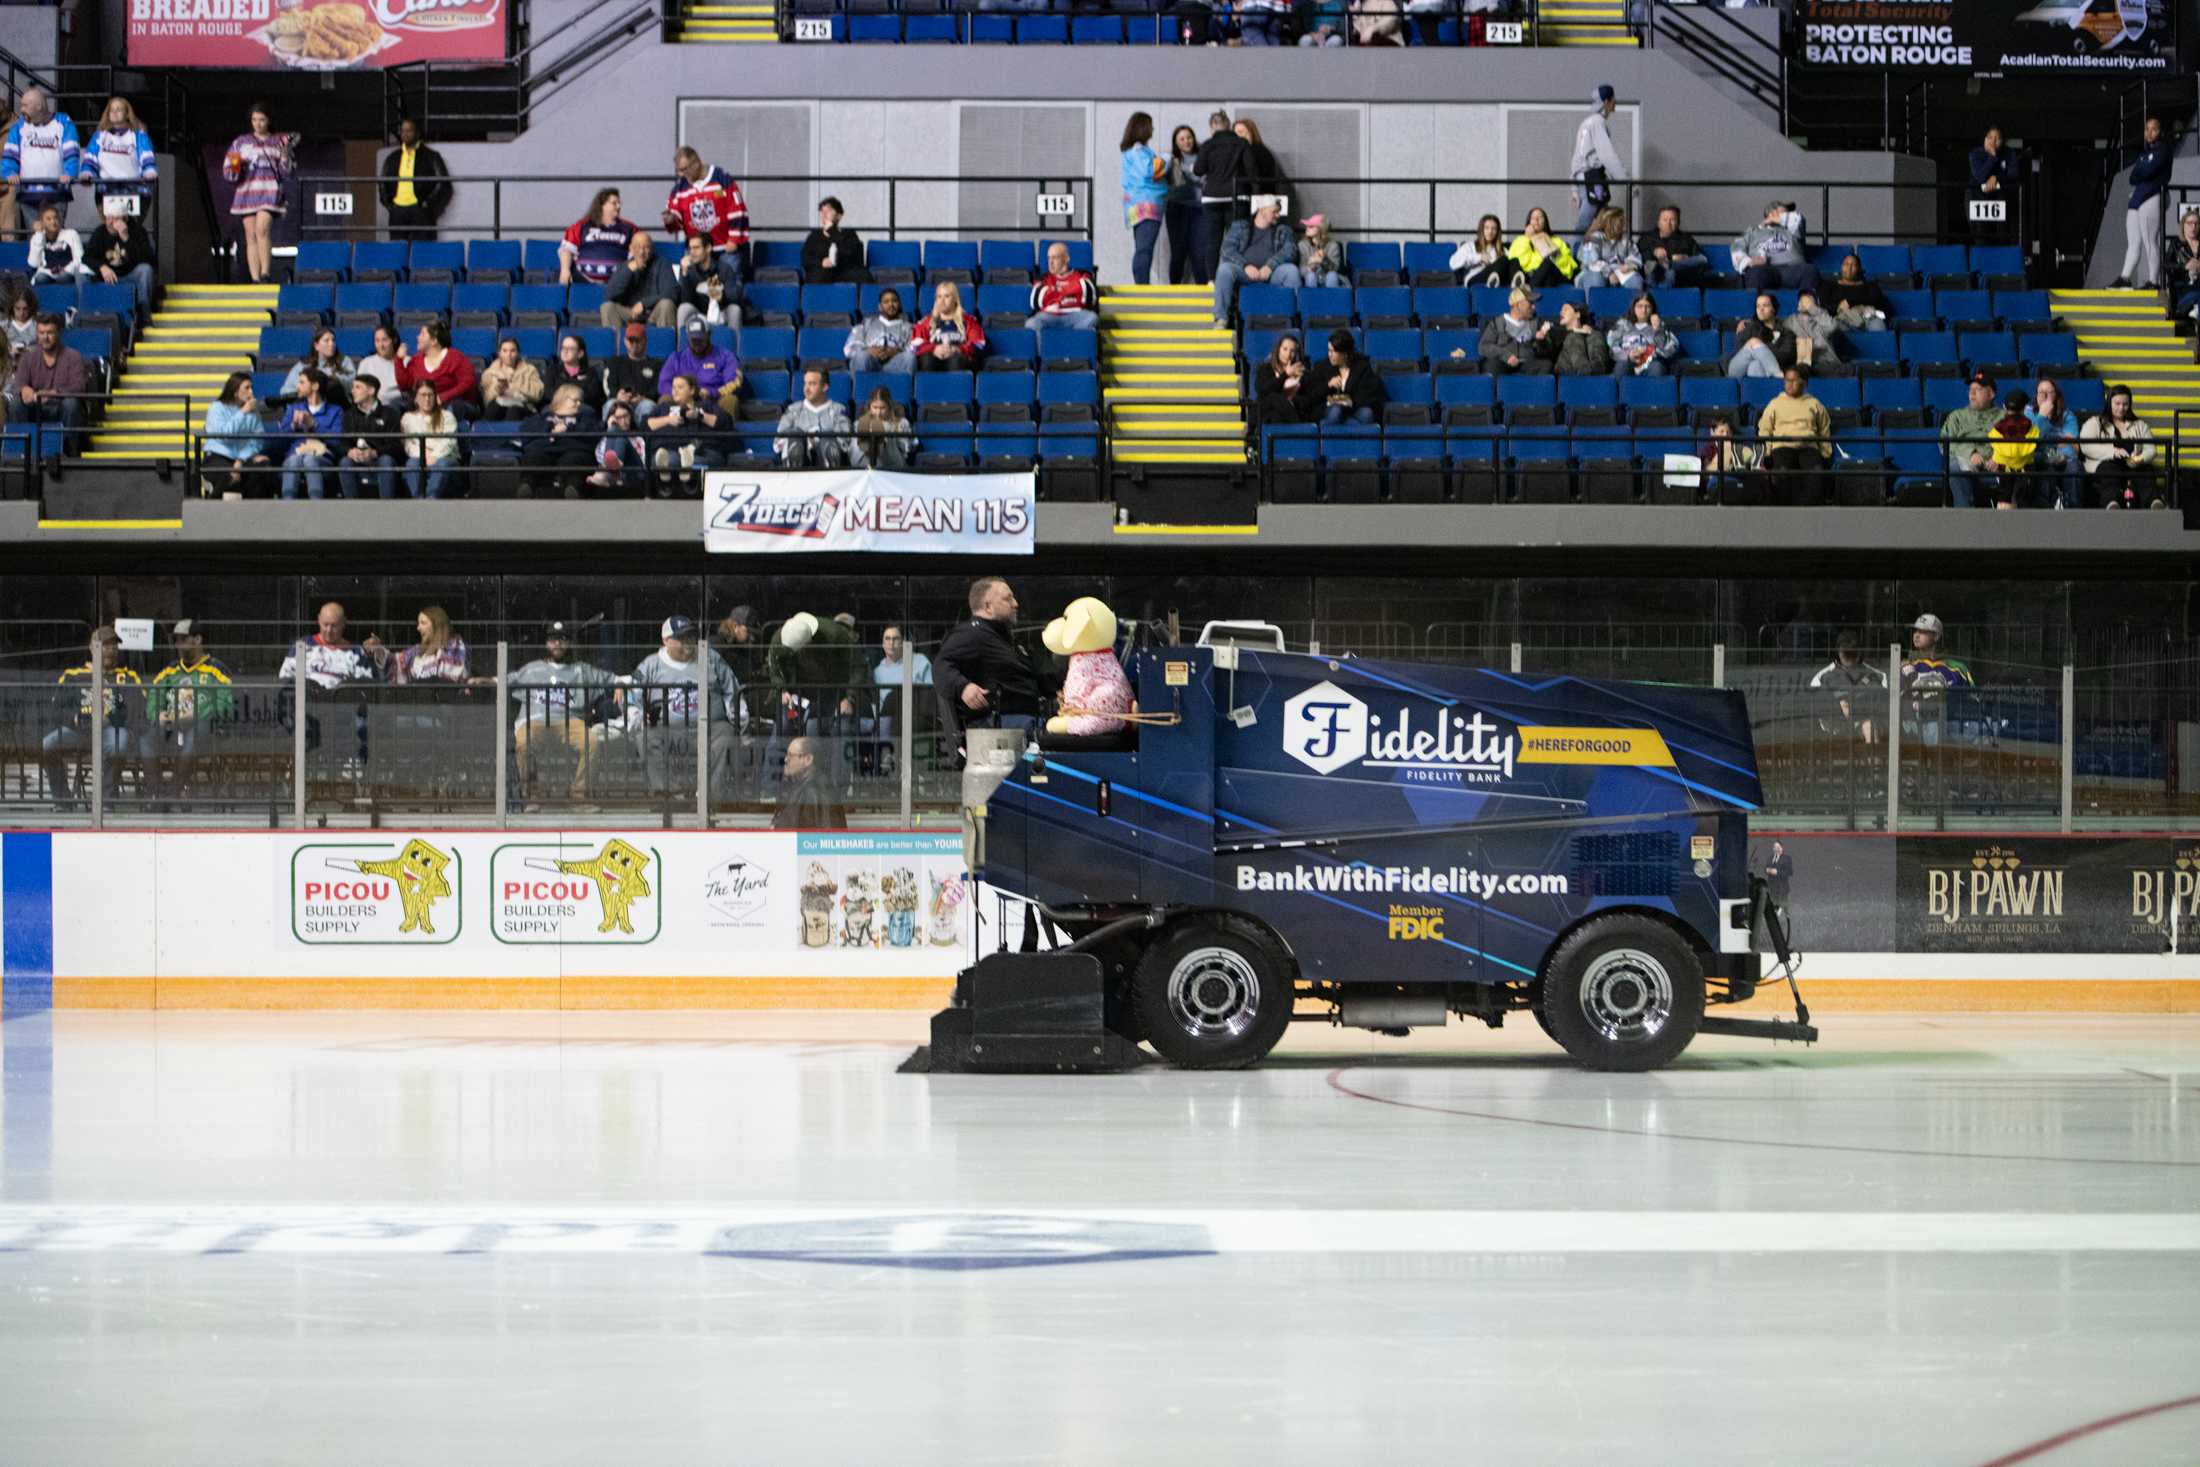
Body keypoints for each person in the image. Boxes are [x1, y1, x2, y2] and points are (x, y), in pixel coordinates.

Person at [590, 615, 743, 795]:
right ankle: (668, 794)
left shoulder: (710, 657)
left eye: (691, 636)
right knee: (645, 737)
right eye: (681, 638)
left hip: (710, 729)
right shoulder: (651, 664)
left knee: (726, 732)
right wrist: (637, 713)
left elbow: (732, 689)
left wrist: (739, 720)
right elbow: (631, 694)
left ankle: (710, 795)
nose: (688, 642)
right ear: (666, 640)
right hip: (669, 732)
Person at [508, 620, 617, 804]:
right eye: (552, 639)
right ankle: (532, 796)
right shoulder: (532, 668)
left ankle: (579, 795)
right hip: (535, 720)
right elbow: (504, 679)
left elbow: (613, 678)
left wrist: (620, 684)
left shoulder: (581, 669)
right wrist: (481, 680)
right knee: (523, 743)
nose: (557, 643)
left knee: (592, 742)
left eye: (562, 639)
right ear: (546, 643)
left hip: (569, 720)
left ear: (569, 643)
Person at [935, 576, 1045, 745]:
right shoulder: (971, 634)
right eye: (1008, 599)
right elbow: (941, 665)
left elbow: (1037, 681)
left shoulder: (1007, 640)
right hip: (1000, 731)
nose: (1015, 604)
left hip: (1024, 725)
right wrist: (963, 687)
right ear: (988, 607)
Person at [41, 625, 139, 808]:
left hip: (111, 729)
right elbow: (56, 708)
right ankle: (63, 801)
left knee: (120, 742)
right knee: (48, 744)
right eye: (106, 645)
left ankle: (106, 801)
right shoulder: (73, 675)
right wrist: (75, 718)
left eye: (114, 645)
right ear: (92, 647)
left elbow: (134, 708)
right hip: (79, 731)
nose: (112, 650)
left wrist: (109, 719)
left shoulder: (126, 676)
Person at [146, 620, 235, 802]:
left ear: (198, 639)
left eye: (184, 639)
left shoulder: (216, 669)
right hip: (171, 727)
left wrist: (197, 715)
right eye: (176, 640)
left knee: (191, 738)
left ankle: (172, 793)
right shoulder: (169, 670)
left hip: (204, 729)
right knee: (146, 741)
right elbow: (154, 697)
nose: (179, 644)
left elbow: (225, 704)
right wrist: (158, 714)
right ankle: (155, 794)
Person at [663, 148, 751, 303]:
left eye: (684, 169)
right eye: (679, 171)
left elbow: (738, 209)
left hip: (725, 249)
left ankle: (726, 317)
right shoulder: (679, 189)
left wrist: (734, 240)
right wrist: (670, 219)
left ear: (696, 163)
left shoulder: (721, 179)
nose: (682, 174)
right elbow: (675, 219)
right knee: (690, 290)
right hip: (697, 250)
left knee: (727, 291)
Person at [222, 102, 291, 284]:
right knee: (250, 234)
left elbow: (287, 171)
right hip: (247, 192)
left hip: (269, 191)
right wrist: (237, 165)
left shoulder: (279, 141)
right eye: (254, 120)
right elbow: (229, 171)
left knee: (262, 229)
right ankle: (255, 278)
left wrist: (285, 156)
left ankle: (266, 273)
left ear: (268, 120)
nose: (258, 124)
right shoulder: (241, 142)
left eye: (262, 120)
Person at [9, 312, 86, 466]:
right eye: (41, 333)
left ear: (59, 333)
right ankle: (21, 454)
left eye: (50, 333)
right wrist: (24, 389)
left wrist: (53, 393)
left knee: (71, 404)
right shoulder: (28, 357)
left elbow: (79, 386)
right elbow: (18, 384)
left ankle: (70, 454)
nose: (45, 337)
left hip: (60, 407)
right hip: (35, 408)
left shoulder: (73, 356)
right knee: (16, 404)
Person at [3, 87, 80, 236]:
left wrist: (69, 173)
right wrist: (10, 172)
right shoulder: (19, 126)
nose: (21, 109)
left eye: (26, 105)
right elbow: (9, 155)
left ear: (39, 106)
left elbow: (72, 152)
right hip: (28, 193)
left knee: (57, 236)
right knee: (35, 237)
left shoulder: (63, 122)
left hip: (56, 192)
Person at [1213, 199, 1302, 327]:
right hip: (1245, 274)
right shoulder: (1240, 226)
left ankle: (1293, 320)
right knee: (1224, 269)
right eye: (1275, 211)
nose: (1278, 215)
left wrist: (1270, 266)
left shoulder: (1283, 229)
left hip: (1272, 274)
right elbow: (1227, 249)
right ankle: (1221, 318)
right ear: (1262, 210)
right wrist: (1245, 265)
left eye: (1279, 212)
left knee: (1291, 271)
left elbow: (1290, 250)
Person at [1756, 365, 1832, 502]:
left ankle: (1807, 511)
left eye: (1794, 381)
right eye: (1787, 380)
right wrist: (1766, 453)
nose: (1789, 384)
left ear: (1804, 383)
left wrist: (1825, 453)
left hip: (1808, 447)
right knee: (1782, 475)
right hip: (1782, 446)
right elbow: (1764, 430)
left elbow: (1824, 430)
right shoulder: (1775, 404)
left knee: (1816, 475)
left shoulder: (1814, 404)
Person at [2113, 116, 2173, 289]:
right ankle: (2125, 278)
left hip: (2152, 196)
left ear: (2160, 131)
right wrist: (2143, 170)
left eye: (2154, 129)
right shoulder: (2145, 153)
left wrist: (2143, 170)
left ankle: (2153, 281)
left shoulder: (2164, 149)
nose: (2149, 132)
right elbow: (2133, 177)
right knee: (2133, 243)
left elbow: (2147, 171)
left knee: (2150, 241)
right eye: (2147, 129)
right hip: (2136, 199)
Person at [2078, 384, 2160, 509]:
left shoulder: (2139, 425)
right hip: (2106, 464)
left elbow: (2151, 450)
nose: (2121, 408)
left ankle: (2154, 502)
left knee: (2146, 470)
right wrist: (2112, 451)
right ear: (2109, 402)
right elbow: (2086, 446)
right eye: (2117, 403)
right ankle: (2112, 503)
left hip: (2132, 466)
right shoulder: (2095, 422)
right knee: (2109, 471)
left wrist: (2139, 458)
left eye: (2125, 404)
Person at [1900, 613, 1972, 750]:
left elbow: (1971, 701)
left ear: (1937, 636)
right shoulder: (1905, 665)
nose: (1916, 635)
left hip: (1947, 727)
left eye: (1923, 632)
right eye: (1916, 631)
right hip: (1910, 727)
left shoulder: (1957, 668)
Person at [644, 373, 725, 494]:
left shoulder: (706, 405)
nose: (675, 391)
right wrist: (668, 419)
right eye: (673, 387)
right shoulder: (664, 408)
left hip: (703, 451)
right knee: (669, 459)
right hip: (672, 450)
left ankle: (685, 474)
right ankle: (670, 478)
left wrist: (700, 415)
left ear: (692, 390)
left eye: (680, 387)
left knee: (692, 460)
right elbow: (646, 424)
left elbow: (724, 422)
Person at [85, 96, 158, 230]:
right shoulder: (100, 135)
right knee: (111, 228)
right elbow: (90, 157)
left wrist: (149, 171)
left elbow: (146, 156)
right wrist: (87, 172)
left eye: (119, 109)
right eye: (111, 109)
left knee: (131, 229)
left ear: (127, 113)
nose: (115, 112)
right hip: (106, 189)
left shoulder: (137, 135)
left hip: (134, 189)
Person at [520, 381, 601, 500]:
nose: (579, 404)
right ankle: (526, 487)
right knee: (534, 458)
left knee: (574, 460)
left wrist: (568, 428)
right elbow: (525, 430)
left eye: (580, 401)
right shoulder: (544, 415)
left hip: (573, 449)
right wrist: (549, 427)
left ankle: (573, 489)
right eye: (575, 400)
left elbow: (594, 432)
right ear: (562, 399)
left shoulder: (586, 416)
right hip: (545, 449)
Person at [278, 602, 384, 690]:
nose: (329, 630)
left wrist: (377, 655)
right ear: (318, 620)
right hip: (305, 708)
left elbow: (368, 688)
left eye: (334, 626)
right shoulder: (302, 647)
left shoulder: (356, 652)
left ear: (343, 623)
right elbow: (285, 678)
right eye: (325, 624)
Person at [1193, 111, 1247, 283]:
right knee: (1235, 240)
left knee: (1212, 240)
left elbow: (1198, 170)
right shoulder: (1241, 143)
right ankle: (1233, 277)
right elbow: (1251, 169)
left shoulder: (1208, 145)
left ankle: (1211, 279)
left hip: (1212, 197)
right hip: (1236, 196)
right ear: (1229, 125)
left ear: (1212, 127)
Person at [377, 117, 450, 241]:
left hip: (420, 209)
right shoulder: (393, 157)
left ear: (417, 133)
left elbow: (444, 184)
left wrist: (427, 204)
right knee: (398, 252)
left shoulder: (431, 156)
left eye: (409, 130)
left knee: (423, 252)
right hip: (397, 211)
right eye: (403, 131)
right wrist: (389, 204)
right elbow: (382, 182)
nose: (405, 134)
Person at [277, 367, 344, 500]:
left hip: (323, 458)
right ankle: (287, 504)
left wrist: (314, 425)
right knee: (294, 459)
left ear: (315, 386)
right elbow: (279, 440)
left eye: (302, 383)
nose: (297, 387)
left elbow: (337, 441)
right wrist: (293, 426)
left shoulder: (335, 411)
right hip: (294, 455)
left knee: (309, 459)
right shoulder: (293, 408)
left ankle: (316, 503)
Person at [1569, 86, 1626, 241]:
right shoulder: (1598, 122)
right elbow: (1607, 154)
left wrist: (1574, 185)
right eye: (1613, 99)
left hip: (1585, 177)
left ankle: (1594, 252)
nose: (1615, 103)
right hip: (1592, 178)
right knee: (1586, 220)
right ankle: (1571, 256)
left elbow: (1576, 155)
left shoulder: (1587, 123)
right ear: (1607, 102)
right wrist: (1624, 179)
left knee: (1603, 215)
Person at [200, 371, 269, 498]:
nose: (251, 392)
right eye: (247, 388)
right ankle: (211, 504)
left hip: (241, 459)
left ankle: (256, 514)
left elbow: (257, 441)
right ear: (235, 391)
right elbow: (224, 435)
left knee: (262, 468)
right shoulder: (216, 408)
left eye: (252, 388)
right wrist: (242, 412)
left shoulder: (254, 413)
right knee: (230, 476)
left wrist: (241, 459)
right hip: (217, 457)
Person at [1809, 632, 1886, 745]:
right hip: (1835, 729)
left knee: (1869, 727)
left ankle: (1873, 762)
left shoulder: (1877, 676)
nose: (1850, 657)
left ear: (1860, 653)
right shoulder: (1822, 677)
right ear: (1838, 653)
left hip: (1867, 725)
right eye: (1846, 653)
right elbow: (1817, 709)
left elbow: (1884, 705)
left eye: (1853, 653)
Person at [1940, 372, 2002, 508]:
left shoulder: (2003, 416)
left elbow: (2015, 440)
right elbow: (1944, 443)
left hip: (1997, 462)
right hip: (1966, 462)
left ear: (1991, 394)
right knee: (1955, 467)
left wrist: (1999, 457)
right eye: (1970, 390)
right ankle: (1965, 518)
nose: (1972, 394)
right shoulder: (1957, 416)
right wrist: (1970, 453)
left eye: (1978, 390)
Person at [1730, 200, 1818, 294]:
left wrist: (1778, 218)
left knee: (1809, 270)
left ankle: (1806, 305)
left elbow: (1798, 219)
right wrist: (1749, 262)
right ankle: (1758, 307)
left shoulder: (1793, 230)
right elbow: (1736, 248)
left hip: (1793, 270)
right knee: (1755, 273)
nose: (1789, 213)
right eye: (1785, 211)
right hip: (1764, 270)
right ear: (1771, 213)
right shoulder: (1752, 232)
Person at [337, 371, 401, 500]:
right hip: (357, 460)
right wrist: (350, 451)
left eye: (357, 387)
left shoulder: (390, 413)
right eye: (353, 387)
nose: (352, 391)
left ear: (371, 390)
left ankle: (387, 506)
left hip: (379, 459)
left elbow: (395, 446)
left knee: (386, 461)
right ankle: (351, 507)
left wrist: (374, 453)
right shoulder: (348, 415)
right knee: (345, 462)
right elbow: (342, 444)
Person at [658, 317, 741, 415]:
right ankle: (670, 429)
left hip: (714, 401)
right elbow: (663, 385)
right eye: (694, 340)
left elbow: (733, 383)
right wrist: (682, 393)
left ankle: (725, 429)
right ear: (688, 338)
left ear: (709, 335)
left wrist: (712, 392)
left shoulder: (725, 356)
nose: (697, 344)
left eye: (700, 339)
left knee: (730, 400)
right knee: (665, 399)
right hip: (683, 403)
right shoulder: (676, 358)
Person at [1120, 115, 1168, 287]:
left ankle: (1142, 284)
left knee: (1143, 248)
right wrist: (1166, 160)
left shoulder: (1132, 151)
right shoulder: (1139, 150)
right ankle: (1142, 288)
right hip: (1147, 205)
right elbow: (1149, 171)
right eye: (1150, 126)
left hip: (1137, 205)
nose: (1153, 129)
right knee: (1144, 249)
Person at [395, 319, 478, 417]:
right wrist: (399, 361)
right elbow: (405, 385)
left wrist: (443, 397)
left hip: (454, 404)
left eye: (422, 334)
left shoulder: (456, 357)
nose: (417, 337)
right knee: (397, 408)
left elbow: (468, 382)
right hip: (425, 404)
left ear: (434, 341)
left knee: (450, 409)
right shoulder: (416, 360)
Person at [775, 367, 854, 468]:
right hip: (800, 464)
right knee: (796, 438)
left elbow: (845, 442)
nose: (806, 389)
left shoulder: (838, 410)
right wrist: (807, 442)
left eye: (812, 384)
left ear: (825, 387)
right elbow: (777, 443)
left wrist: (819, 439)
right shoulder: (793, 410)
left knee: (828, 442)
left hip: (829, 464)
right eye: (805, 383)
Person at [599, 231, 679, 330]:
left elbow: (671, 293)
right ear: (631, 249)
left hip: (653, 314)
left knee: (667, 304)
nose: (641, 252)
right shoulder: (624, 266)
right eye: (637, 247)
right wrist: (628, 271)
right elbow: (609, 295)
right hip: (630, 314)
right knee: (607, 307)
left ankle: (663, 344)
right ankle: (615, 344)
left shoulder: (662, 264)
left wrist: (644, 304)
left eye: (646, 247)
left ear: (651, 249)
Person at [558, 188, 636, 287]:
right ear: (602, 204)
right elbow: (566, 249)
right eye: (614, 203)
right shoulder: (581, 226)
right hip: (582, 283)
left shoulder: (629, 228)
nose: (619, 206)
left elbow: (638, 252)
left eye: (619, 203)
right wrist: (565, 270)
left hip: (617, 287)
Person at [399, 379, 461, 499]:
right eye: (423, 395)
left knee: (442, 463)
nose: (427, 399)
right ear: (415, 398)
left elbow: (449, 442)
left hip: (446, 457)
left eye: (430, 395)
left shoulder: (447, 416)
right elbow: (408, 444)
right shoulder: (407, 418)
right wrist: (423, 455)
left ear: (435, 396)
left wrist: (434, 456)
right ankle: (420, 501)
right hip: (419, 457)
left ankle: (430, 501)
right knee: (412, 463)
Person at [2027, 378, 2082, 512]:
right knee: (2044, 470)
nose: (2045, 396)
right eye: (2041, 392)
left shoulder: (2068, 416)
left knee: (2074, 466)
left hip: (2065, 460)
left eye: (2050, 392)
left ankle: (2073, 511)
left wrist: (2056, 455)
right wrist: (2042, 416)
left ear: (2056, 395)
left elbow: (2072, 449)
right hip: (2041, 461)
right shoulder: (2029, 415)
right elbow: (2031, 446)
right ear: (2036, 396)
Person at [771, 735, 846, 829]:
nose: (786, 759)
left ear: (808, 759)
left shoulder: (813, 793)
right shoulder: (806, 786)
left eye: (791, 755)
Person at [911, 281, 987, 372]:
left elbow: (979, 344)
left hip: (959, 360)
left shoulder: (969, 321)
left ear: (955, 299)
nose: (942, 300)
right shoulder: (926, 322)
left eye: (947, 296)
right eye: (939, 296)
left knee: (955, 360)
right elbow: (914, 345)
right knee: (927, 360)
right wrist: (934, 349)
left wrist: (958, 349)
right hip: (933, 359)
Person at [384, 606, 471, 686]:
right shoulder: (417, 650)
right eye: (418, 623)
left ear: (436, 625)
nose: (418, 628)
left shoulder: (455, 645)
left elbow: (453, 674)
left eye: (423, 623)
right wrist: (378, 649)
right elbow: (395, 661)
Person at [1163, 124, 1205, 286]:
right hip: (1176, 208)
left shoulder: (1203, 156)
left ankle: (1203, 292)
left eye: (1189, 137)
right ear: (1176, 142)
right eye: (1182, 139)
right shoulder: (1171, 159)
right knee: (1178, 251)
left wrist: (1187, 173)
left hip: (1199, 209)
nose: (1186, 141)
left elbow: (1205, 181)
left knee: (1199, 252)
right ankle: (1173, 290)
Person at [1479, 286, 1555, 375]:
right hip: (1503, 362)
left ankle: (1536, 389)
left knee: (1546, 365)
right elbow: (1483, 346)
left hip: (1526, 363)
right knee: (1491, 366)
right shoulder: (1497, 323)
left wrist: (1541, 341)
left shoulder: (1536, 323)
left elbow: (1547, 351)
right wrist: (1506, 355)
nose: (1534, 307)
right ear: (1517, 304)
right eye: (1530, 303)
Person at [1316, 328, 1385, 426]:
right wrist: (1328, 385)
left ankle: (1344, 432)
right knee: (1336, 411)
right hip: (1330, 408)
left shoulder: (1362, 367)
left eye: (1333, 351)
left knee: (1367, 414)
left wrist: (1350, 401)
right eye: (1329, 350)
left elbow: (1367, 395)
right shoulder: (1322, 366)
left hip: (1354, 408)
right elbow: (1314, 394)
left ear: (1345, 354)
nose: (1329, 355)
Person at [1026, 241, 1098, 332]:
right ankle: (1049, 345)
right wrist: (1071, 291)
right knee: (1031, 323)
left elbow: (1090, 298)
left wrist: (1053, 293)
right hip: (1049, 315)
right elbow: (1035, 302)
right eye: (1049, 258)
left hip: (1075, 314)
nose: (1050, 262)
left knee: (1092, 317)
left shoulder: (1081, 275)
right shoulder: (1044, 278)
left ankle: (1073, 342)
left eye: (1055, 257)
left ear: (1066, 258)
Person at [1984, 389, 2037, 509]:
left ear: (2004, 407)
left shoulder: (1997, 428)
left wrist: (1996, 458)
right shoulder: (2031, 428)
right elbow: (2032, 447)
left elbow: (1996, 448)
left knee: (2004, 499)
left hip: (2004, 468)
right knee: (2023, 500)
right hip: (2025, 469)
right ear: (2024, 408)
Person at [672, 232, 736, 333]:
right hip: (699, 312)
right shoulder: (689, 270)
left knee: (735, 309)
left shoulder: (724, 269)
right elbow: (686, 300)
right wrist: (684, 273)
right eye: (690, 248)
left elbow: (735, 296)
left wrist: (721, 297)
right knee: (683, 309)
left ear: (708, 248)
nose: (692, 252)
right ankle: (682, 347)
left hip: (721, 311)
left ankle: (734, 345)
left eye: (696, 248)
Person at [843, 286, 914, 376]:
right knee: (861, 356)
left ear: (899, 305)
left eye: (894, 301)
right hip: (870, 362)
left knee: (909, 358)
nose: (891, 305)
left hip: (895, 363)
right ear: (880, 306)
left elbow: (915, 348)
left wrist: (897, 351)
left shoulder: (909, 327)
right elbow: (848, 348)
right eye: (886, 302)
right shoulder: (866, 324)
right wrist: (868, 350)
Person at [589, 398, 651, 497]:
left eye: (626, 416)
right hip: (615, 476)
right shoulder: (605, 439)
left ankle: (612, 469)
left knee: (621, 436)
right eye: (618, 418)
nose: (623, 421)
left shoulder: (638, 438)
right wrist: (610, 429)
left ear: (631, 416)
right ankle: (614, 468)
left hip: (634, 473)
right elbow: (600, 458)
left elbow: (643, 461)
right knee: (616, 433)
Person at [1253, 332, 1318, 426]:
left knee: (1275, 416)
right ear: (1278, 350)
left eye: (1292, 351)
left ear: (1296, 353)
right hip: (1266, 409)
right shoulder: (1265, 369)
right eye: (1285, 349)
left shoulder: (1302, 372)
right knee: (1274, 397)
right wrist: (1286, 374)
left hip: (1285, 413)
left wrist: (1292, 401)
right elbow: (1262, 391)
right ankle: (1300, 427)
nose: (1288, 354)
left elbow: (1308, 399)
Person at [1606, 294, 1677, 379]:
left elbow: (1672, 347)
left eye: (1648, 307)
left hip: (1651, 362)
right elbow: (1611, 344)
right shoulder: (1623, 324)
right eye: (1640, 306)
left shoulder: (1660, 325)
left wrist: (1658, 331)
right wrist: (1628, 355)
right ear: (1633, 308)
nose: (1644, 310)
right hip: (1627, 360)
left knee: (1657, 368)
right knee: (1621, 368)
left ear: (1652, 309)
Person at [1727, 292, 1795, 379]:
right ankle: (1778, 375)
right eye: (1758, 306)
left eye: (1765, 305)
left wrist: (1761, 353)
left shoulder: (1786, 333)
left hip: (1760, 369)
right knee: (1754, 341)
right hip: (1737, 367)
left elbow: (1786, 355)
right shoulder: (1750, 327)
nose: (1761, 309)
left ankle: (1758, 390)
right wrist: (1761, 350)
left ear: (1773, 309)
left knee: (1755, 366)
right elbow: (1739, 349)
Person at [478, 336, 546, 423]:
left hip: (523, 406)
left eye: (512, 351)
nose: (508, 355)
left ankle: (512, 436)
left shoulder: (529, 370)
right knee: (493, 408)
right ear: (499, 353)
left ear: (518, 353)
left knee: (513, 410)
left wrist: (512, 387)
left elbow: (538, 394)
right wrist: (497, 389)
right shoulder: (490, 372)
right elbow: (486, 400)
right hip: (498, 404)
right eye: (505, 351)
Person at [801, 196, 866, 286]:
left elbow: (850, 254)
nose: (824, 214)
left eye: (829, 211)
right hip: (822, 273)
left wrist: (832, 231)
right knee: (816, 276)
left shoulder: (849, 234)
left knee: (862, 276)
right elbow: (805, 258)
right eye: (822, 211)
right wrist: (822, 262)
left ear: (839, 216)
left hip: (844, 271)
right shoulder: (814, 236)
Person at [604, 322, 662, 423]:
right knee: (610, 404)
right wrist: (617, 395)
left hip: (642, 402)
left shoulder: (656, 364)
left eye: (638, 340)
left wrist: (644, 397)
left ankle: (644, 437)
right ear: (625, 341)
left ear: (645, 341)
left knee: (648, 405)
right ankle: (611, 435)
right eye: (631, 340)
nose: (634, 344)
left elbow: (657, 387)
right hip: (620, 401)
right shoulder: (614, 362)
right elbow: (609, 385)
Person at [1637, 205, 1707, 288]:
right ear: (1658, 223)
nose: (1668, 223)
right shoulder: (1647, 238)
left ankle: (1670, 265)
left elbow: (1699, 259)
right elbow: (1637, 256)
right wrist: (1654, 252)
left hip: (1680, 275)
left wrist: (1684, 257)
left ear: (1678, 223)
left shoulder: (1686, 239)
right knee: (1661, 271)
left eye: (1672, 220)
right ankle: (1669, 265)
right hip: (1654, 274)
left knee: (1702, 259)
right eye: (1665, 220)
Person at [1506, 207, 1576, 289]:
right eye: (1533, 218)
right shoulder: (1520, 240)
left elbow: (1564, 264)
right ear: (1529, 222)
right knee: (1514, 262)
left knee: (1548, 263)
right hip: (1529, 276)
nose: (1536, 220)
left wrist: (1537, 239)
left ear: (1545, 221)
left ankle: (1528, 290)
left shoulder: (1557, 241)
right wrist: (1528, 239)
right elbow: (1521, 262)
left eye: (1540, 217)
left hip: (1553, 275)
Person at [1575, 207, 1643, 291]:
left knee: (1636, 281)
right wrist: (1610, 273)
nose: (1624, 223)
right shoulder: (1594, 238)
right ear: (1610, 222)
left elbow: (1635, 257)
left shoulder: (1625, 239)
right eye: (1621, 220)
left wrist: (1628, 266)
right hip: (1593, 272)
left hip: (1619, 271)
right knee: (1597, 279)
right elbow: (1591, 263)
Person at [1823, 253, 1891, 336]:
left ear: (1859, 268)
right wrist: (1838, 307)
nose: (1849, 268)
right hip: (1843, 319)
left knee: (1878, 327)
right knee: (1834, 329)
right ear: (1841, 267)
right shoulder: (1831, 286)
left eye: (1853, 265)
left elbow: (1875, 299)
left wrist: (1850, 302)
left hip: (1868, 316)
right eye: (1846, 264)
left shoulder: (1869, 285)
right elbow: (1825, 307)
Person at [1967, 125, 2016, 240]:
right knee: (1980, 236)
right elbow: (1980, 176)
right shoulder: (1975, 154)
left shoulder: (2009, 153)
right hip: (1976, 196)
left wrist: (1996, 177)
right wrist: (1992, 157)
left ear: (2002, 141)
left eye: (1997, 139)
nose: (1993, 142)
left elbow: (2013, 174)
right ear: (1984, 139)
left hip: (2000, 197)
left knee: (2002, 235)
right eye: (1990, 137)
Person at [279, 327, 354, 401]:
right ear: (316, 346)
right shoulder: (303, 365)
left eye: (333, 340)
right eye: (326, 341)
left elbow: (352, 385)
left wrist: (333, 379)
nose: (332, 344)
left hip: (338, 404)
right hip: (308, 405)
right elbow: (285, 391)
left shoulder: (344, 361)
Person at [851, 385, 913, 470]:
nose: (878, 412)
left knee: (886, 433)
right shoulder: (859, 423)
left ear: (889, 407)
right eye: (875, 407)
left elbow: (905, 449)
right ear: (870, 407)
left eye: (882, 408)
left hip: (892, 465)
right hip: (864, 464)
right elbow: (853, 451)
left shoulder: (901, 423)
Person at [1698, 414, 1756, 501]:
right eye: (1721, 431)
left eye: (1728, 432)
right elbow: (1706, 473)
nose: (1725, 435)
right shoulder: (1708, 449)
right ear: (1712, 432)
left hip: (1738, 478)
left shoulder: (1737, 446)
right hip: (1718, 481)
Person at [27, 205, 87, 285]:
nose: (53, 222)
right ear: (42, 222)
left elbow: (80, 258)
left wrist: (66, 269)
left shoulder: (71, 234)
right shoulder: (37, 238)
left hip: (68, 271)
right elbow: (34, 264)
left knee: (63, 277)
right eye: (48, 219)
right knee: (40, 279)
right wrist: (39, 234)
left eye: (55, 218)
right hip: (47, 272)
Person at [1551, 301, 1612, 376]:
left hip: (1594, 371)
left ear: (1577, 314)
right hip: (1566, 370)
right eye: (1561, 310)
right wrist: (1577, 331)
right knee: (1573, 336)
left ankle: (1597, 368)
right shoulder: (1555, 330)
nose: (1561, 313)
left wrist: (1589, 331)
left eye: (1565, 309)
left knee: (1595, 334)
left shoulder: (1592, 331)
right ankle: (1583, 369)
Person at [1784, 290, 1841, 368]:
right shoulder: (1790, 320)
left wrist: (1812, 309)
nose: (1805, 302)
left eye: (1809, 300)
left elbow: (1833, 327)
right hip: (1801, 363)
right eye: (1802, 300)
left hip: (1824, 361)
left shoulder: (1821, 317)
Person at [1450, 215, 1507, 290]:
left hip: (1496, 279)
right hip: (1474, 279)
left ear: (1497, 232)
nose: (1490, 232)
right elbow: (1453, 263)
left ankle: (1494, 282)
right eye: (1487, 228)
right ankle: (1491, 281)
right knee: (1501, 262)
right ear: (1481, 230)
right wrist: (1479, 257)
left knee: (1505, 260)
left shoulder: (1502, 250)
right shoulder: (1470, 246)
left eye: (1494, 229)